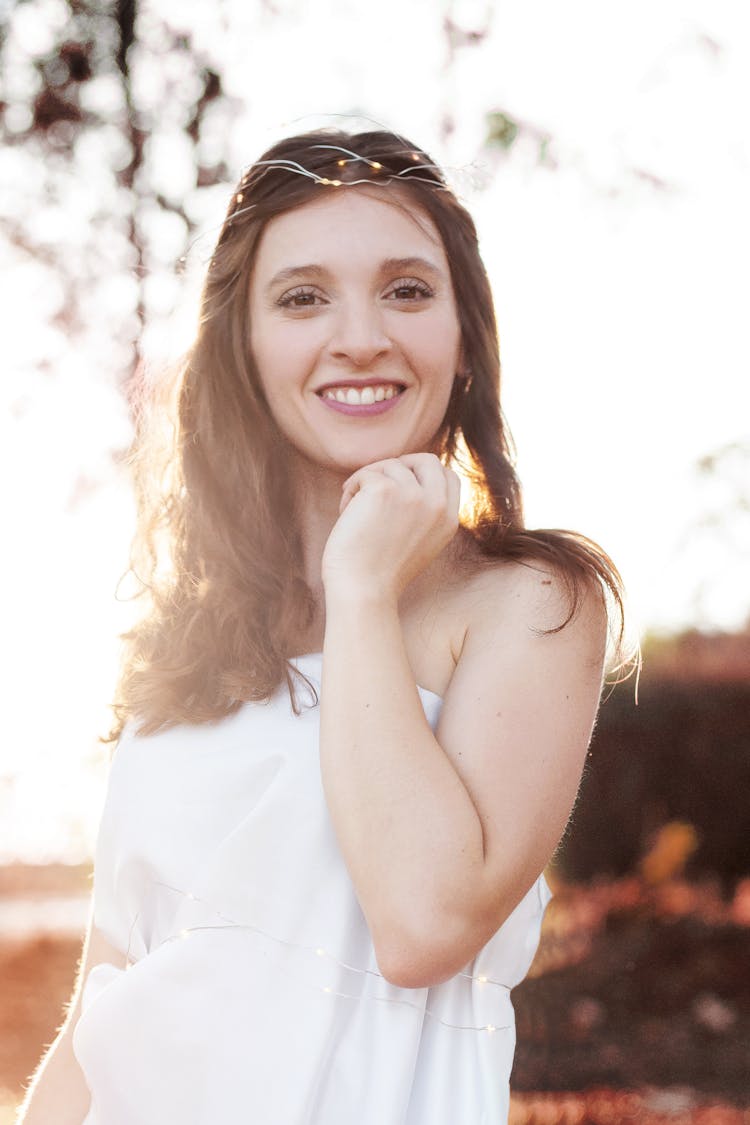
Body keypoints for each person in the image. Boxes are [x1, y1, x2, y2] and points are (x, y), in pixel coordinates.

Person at [19, 128, 627, 1124]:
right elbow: (108, 995)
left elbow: (423, 924)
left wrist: (361, 587)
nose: (360, 337)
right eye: (304, 297)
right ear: (244, 344)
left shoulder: (532, 605)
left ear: (463, 333)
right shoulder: (184, 649)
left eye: (407, 290)